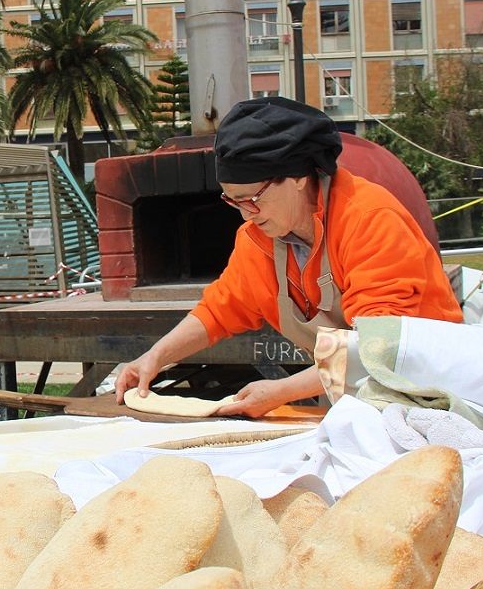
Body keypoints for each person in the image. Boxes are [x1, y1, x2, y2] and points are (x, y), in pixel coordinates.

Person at [115, 97, 462, 418]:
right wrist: (155, 357)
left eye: (253, 199)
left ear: (296, 178)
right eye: (233, 201)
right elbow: (219, 311)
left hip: (433, 396)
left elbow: (377, 346)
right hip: (360, 402)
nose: (246, 214)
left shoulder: (370, 218)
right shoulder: (257, 239)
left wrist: (282, 391)